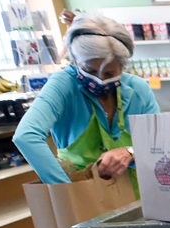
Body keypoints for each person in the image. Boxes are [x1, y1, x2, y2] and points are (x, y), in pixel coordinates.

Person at [15, 12, 158, 191]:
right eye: (90, 70)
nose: (99, 79)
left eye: (109, 74)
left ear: (122, 66)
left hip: (138, 193)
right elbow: (26, 136)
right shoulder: (63, 86)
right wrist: (68, 192)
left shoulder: (137, 89)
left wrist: (130, 151)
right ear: (75, 61)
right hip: (85, 199)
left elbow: (160, 142)